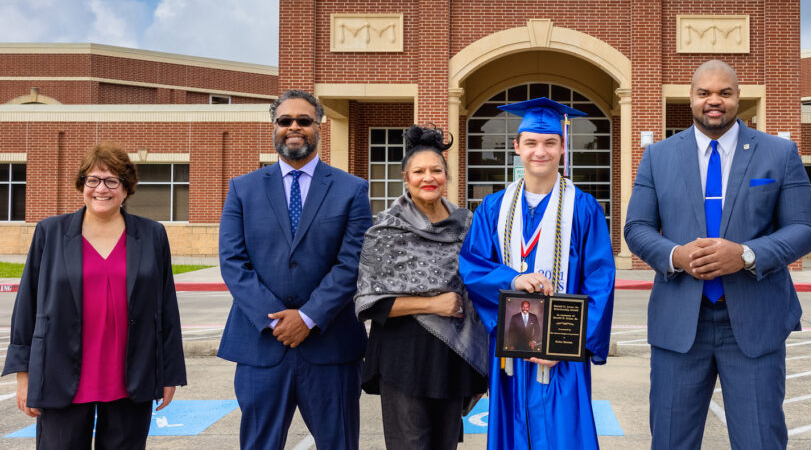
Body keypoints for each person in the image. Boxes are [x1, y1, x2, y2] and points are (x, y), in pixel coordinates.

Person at [624, 60, 811, 449]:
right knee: (670, 441)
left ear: (737, 98)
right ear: (690, 99)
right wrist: (676, 255)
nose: (715, 101)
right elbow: (636, 228)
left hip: (754, 322)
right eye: (705, 93)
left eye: (725, 93)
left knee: (759, 441)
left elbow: (803, 229)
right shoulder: (658, 157)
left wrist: (747, 254)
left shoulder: (779, 153)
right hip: (679, 324)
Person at [3, 141, 186, 449]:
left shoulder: (152, 235)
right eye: (93, 180)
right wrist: (24, 376)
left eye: (112, 180)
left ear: (126, 188)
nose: (102, 189)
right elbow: (27, 305)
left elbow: (166, 307)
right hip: (60, 374)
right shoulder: (51, 232)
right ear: (82, 184)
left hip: (131, 377)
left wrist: (169, 373)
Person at [218, 89, 373, 450]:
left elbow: (353, 262)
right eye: (285, 120)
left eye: (304, 120)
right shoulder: (243, 189)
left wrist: (308, 316)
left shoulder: (351, 190)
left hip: (330, 346)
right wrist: (276, 320)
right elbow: (233, 262)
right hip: (261, 347)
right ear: (273, 127)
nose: (294, 127)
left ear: (318, 126)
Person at [459, 96, 616, 450]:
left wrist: (565, 344)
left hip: (562, 353)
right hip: (510, 353)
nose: (539, 151)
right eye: (530, 142)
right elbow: (472, 265)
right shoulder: (494, 207)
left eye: (549, 143)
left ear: (563, 147)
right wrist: (511, 279)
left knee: (562, 434)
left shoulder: (583, 207)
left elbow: (600, 281)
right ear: (517, 147)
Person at [354, 125, 489, 450]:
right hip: (403, 358)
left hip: (453, 357)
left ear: (447, 176)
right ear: (405, 177)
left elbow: (482, 290)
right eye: (419, 171)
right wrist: (432, 304)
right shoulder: (385, 230)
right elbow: (370, 302)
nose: (428, 177)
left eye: (436, 170)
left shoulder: (470, 226)